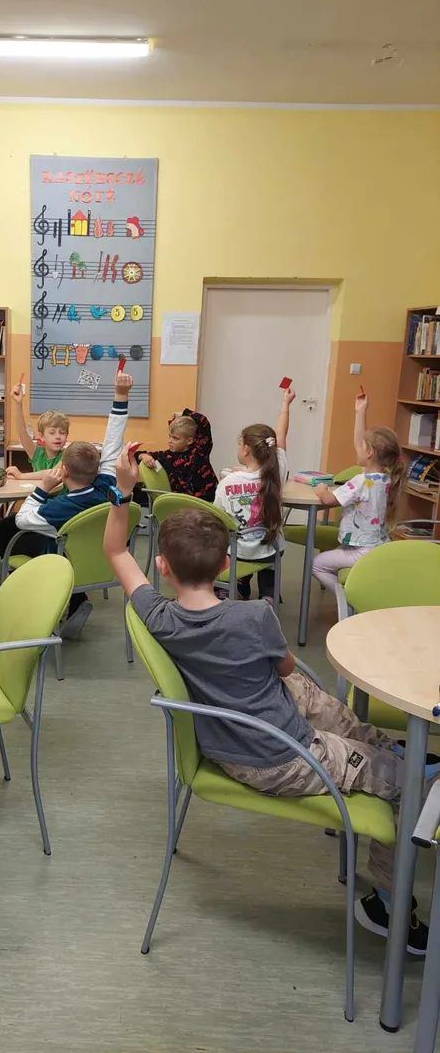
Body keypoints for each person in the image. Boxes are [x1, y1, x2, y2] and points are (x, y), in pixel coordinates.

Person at [103, 450, 430, 953]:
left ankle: (385, 749)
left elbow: (116, 551)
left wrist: (123, 492)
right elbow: (283, 668)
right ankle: (388, 904)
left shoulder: (160, 617)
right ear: (226, 564)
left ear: (163, 567)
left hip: (233, 744)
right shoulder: (254, 615)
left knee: (311, 698)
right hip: (284, 756)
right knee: (407, 786)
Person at [0, 370, 132, 639]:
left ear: (63, 471)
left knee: (5, 528)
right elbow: (114, 442)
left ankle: (38, 587)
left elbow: (23, 519)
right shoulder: (106, 485)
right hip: (100, 554)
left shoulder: (56, 509)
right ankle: (72, 597)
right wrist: (121, 396)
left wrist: (43, 488)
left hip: (61, 548)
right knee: (10, 529)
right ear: (98, 467)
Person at [311, 392, 405, 590]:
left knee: (316, 564)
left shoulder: (361, 481)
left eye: (361, 446)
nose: (357, 447)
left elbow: (328, 500)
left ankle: (347, 601)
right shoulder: (385, 477)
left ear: (369, 453)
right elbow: (359, 441)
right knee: (332, 558)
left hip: (361, 550)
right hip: (376, 544)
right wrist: (360, 412)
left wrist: (321, 489)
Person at [212, 386, 295, 602]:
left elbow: (217, 519)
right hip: (271, 548)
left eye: (239, 443)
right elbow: (281, 436)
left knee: (224, 544)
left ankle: (235, 587)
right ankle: (268, 595)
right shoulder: (276, 471)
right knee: (270, 553)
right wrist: (285, 404)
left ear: (246, 449)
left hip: (238, 550)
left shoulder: (228, 482)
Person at [135, 409, 218, 501]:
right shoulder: (166, 456)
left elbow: (203, 421)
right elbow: (136, 455)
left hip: (210, 502)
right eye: (170, 436)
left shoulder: (200, 450)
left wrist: (184, 413)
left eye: (175, 438)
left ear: (189, 440)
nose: (170, 441)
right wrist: (143, 456)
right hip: (183, 504)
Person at [6, 379, 69, 482]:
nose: (58, 436)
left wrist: (21, 476)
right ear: (42, 436)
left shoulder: (67, 455)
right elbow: (22, 433)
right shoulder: (37, 454)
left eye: (62, 433)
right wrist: (18, 404)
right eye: (52, 433)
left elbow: (53, 473)